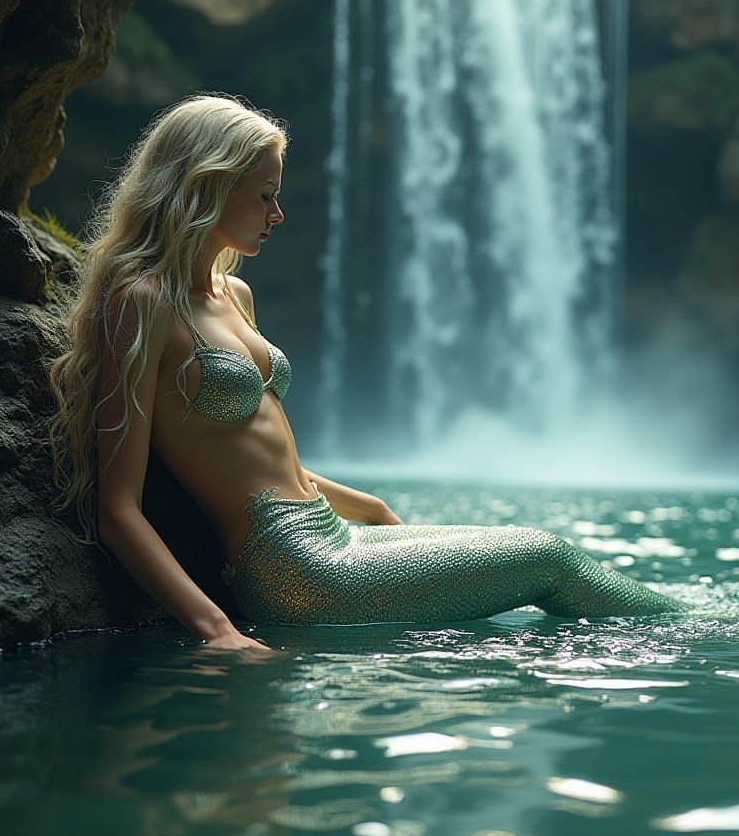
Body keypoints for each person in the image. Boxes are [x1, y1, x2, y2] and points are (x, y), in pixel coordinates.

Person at [49, 94, 688, 653]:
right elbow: (117, 506)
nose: (276, 215)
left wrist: (365, 503)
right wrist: (217, 630)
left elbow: (257, 450)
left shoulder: (233, 296)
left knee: (541, 552)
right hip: (295, 569)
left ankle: (692, 616)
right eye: (265, 196)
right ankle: (707, 628)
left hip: (334, 533)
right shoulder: (142, 304)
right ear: (207, 186)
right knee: (548, 558)